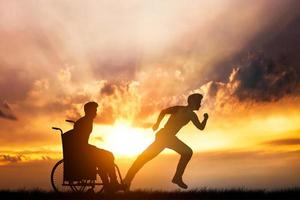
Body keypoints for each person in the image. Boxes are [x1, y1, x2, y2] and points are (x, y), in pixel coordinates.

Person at [124, 93, 209, 190]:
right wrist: (157, 124)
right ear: (193, 102)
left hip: (167, 137)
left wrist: (157, 124)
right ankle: (127, 181)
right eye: (199, 102)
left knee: (143, 159)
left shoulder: (188, 113)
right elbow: (164, 112)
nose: (200, 104)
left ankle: (127, 180)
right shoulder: (185, 112)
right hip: (165, 137)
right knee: (143, 158)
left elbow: (163, 112)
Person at [73, 101, 121, 192]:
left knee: (104, 158)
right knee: (108, 156)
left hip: (83, 149)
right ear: (88, 111)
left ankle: (109, 184)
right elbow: (80, 141)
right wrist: (92, 148)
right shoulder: (85, 122)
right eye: (94, 110)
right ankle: (112, 183)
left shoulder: (85, 121)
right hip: (83, 151)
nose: (96, 113)